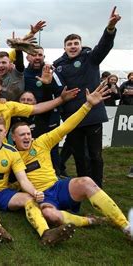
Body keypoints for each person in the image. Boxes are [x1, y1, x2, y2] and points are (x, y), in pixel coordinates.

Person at [11, 83, 132, 240]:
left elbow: (67, 126)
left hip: (57, 186)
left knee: (86, 182)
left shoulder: (41, 142)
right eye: (22, 135)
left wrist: (88, 105)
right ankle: (90, 220)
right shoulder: (10, 154)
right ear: (13, 137)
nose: (27, 137)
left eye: (28, 133)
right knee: (49, 214)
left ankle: (126, 226)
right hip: (41, 197)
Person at [0, 115, 75, 245]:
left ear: (5, 133)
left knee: (29, 199)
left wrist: (34, 192)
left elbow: (23, 179)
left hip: (2, 193)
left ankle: (45, 233)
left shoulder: (12, 152)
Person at [52, 6, 121, 187]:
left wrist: (110, 29)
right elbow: (56, 88)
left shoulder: (91, 58)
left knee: (95, 154)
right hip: (72, 116)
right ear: (64, 47)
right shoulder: (57, 66)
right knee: (78, 155)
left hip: (93, 114)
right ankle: (83, 184)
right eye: (70, 44)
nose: (73, 46)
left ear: (80, 45)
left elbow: (103, 46)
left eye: (76, 43)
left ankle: (97, 186)